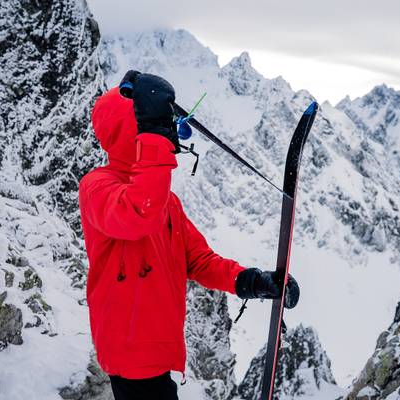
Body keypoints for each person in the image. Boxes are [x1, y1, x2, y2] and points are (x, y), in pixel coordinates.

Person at [78, 70, 300, 400]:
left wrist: (250, 281)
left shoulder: (167, 202)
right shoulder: (98, 187)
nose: (171, 133)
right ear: (134, 130)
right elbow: (139, 213)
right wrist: (152, 138)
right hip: (131, 352)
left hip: (156, 351)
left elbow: (198, 260)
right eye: (162, 124)